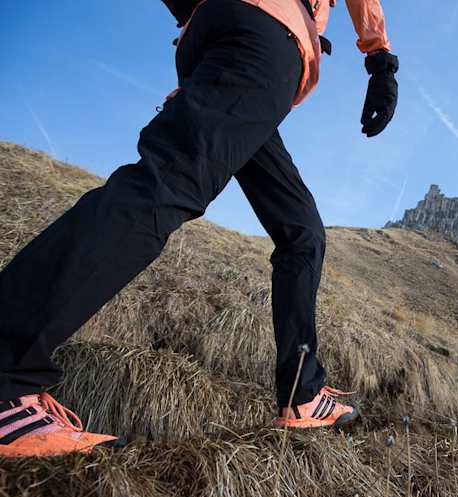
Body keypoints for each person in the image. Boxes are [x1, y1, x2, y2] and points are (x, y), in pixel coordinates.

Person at [0, 0, 399, 457]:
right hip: (265, 38)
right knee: (169, 182)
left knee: (302, 232)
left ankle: (303, 394)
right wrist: (380, 61)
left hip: (233, 43)